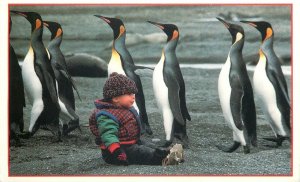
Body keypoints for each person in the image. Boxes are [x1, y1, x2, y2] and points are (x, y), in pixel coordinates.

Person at [89, 72, 183, 166]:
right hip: (116, 151)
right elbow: (108, 135)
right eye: (129, 93)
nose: (133, 96)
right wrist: (117, 153)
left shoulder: (124, 108)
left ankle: (166, 152)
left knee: (148, 145)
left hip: (130, 142)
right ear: (116, 98)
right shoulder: (107, 115)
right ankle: (164, 159)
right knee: (142, 152)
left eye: (133, 93)